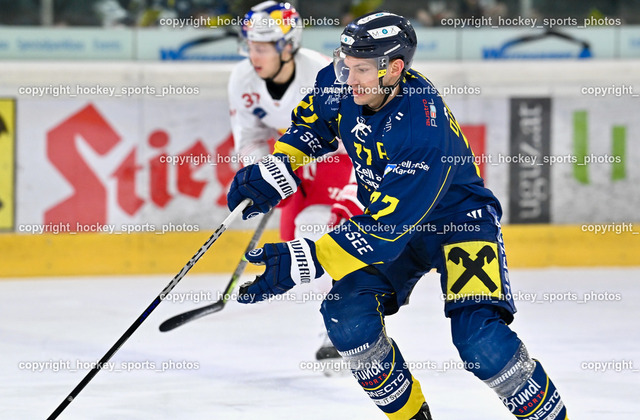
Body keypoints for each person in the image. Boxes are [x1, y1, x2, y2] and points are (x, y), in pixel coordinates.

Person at [227, 10, 569, 420]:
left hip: (458, 225)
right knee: (346, 315)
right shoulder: (343, 83)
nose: (349, 78)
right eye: (346, 65)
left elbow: (385, 230)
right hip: (393, 227)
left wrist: (306, 259)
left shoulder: (421, 129)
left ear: (395, 69)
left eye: (362, 70)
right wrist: (277, 167)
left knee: (482, 345)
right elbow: (312, 124)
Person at [227, 1, 354, 366]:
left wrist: (357, 186)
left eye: (263, 47)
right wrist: (264, 173)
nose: (254, 55)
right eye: (251, 45)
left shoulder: (323, 74)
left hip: (342, 157)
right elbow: (250, 138)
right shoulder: (242, 79)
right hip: (293, 158)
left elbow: (358, 133)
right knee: (300, 245)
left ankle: (345, 322)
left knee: (336, 239)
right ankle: (337, 319)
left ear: (287, 46)